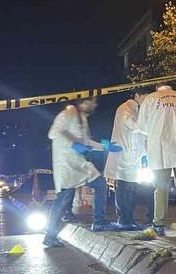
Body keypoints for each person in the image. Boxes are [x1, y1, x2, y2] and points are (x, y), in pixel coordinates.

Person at [43, 98, 122, 247]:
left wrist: (108, 146)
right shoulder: (69, 112)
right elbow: (53, 132)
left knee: (100, 184)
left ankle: (99, 222)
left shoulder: (83, 119)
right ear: (83, 102)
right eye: (92, 101)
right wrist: (73, 143)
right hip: (66, 164)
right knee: (62, 199)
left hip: (79, 164)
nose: (95, 105)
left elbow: (87, 143)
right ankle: (50, 235)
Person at [136, 84, 176, 236]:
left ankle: (158, 225)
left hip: (159, 149)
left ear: (158, 87)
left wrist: (157, 128)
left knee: (161, 188)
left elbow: (142, 126)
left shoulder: (150, 99)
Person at [103, 89, 152, 230]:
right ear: (137, 95)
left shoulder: (137, 109)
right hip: (124, 158)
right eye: (145, 97)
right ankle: (124, 220)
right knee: (124, 189)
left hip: (133, 159)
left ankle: (128, 219)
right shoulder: (125, 108)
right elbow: (133, 126)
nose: (147, 101)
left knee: (131, 189)